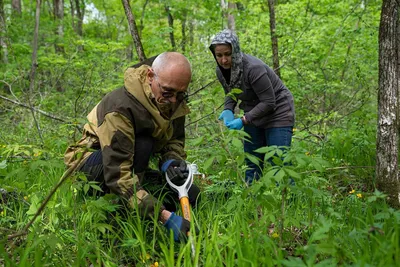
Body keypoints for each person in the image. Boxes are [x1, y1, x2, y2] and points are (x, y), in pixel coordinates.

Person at [64, 52, 200, 242]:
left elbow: (175, 140)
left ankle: (140, 200)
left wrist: (170, 162)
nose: (174, 101)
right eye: (168, 93)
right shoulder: (120, 107)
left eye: (181, 94)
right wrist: (164, 217)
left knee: (192, 195)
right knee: (143, 145)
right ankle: (119, 216)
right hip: (89, 165)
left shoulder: (172, 94)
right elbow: (118, 175)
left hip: (131, 162)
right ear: (151, 77)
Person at [209, 29, 295, 185]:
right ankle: (254, 202)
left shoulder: (253, 68)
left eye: (227, 54)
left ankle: (290, 203)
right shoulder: (220, 71)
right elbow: (231, 92)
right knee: (252, 162)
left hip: (278, 113)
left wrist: (243, 119)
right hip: (253, 113)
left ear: (235, 50)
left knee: (279, 162)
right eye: (219, 55)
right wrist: (228, 108)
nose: (223, 60)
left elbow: (269, 102)